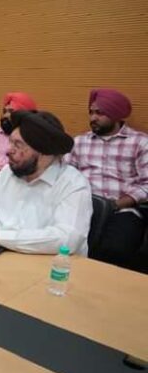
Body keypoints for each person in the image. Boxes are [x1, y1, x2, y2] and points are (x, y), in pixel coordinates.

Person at [0, 110, 92, 255]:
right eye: (10, 142)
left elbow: (67, 238)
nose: (8, 150)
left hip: (50, 265)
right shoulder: (7, 173)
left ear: (43, 150)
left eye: (18, 144)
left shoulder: (73, 183)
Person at [66, 89, 148, 270]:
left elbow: (147, 184)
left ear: (116, 114)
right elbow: (65, 176)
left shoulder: (140, 143)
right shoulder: (79, 142)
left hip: (122, 210)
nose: (93, 118)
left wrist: (116, 204)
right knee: (67, 243)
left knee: (114, 251)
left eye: (99, 113)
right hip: (84, 207)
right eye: (91, 112)